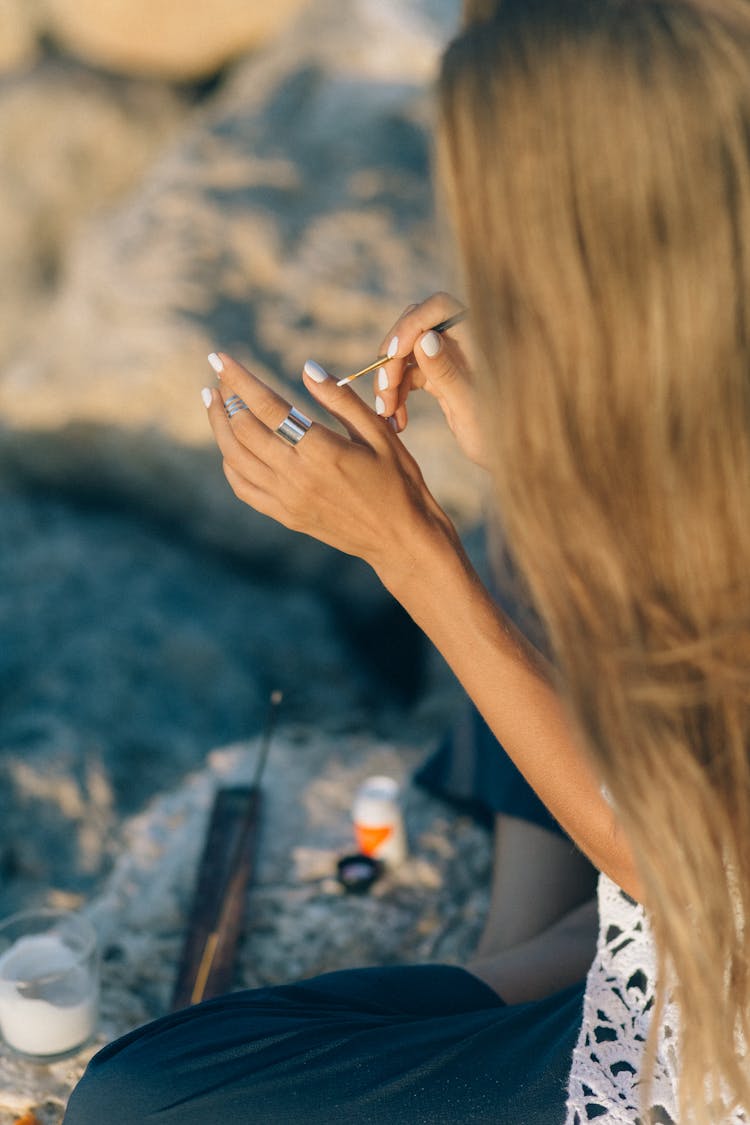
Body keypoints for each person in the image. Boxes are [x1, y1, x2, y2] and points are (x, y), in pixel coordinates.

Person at [64, 0, 750, 1121]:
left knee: (137, 1100)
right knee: (167, 1069)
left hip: (716, 1031)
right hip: (654, 953)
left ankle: (545, 965)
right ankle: (537, 955)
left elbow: (693, 864)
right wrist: (535, 460)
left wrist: (406, 548)